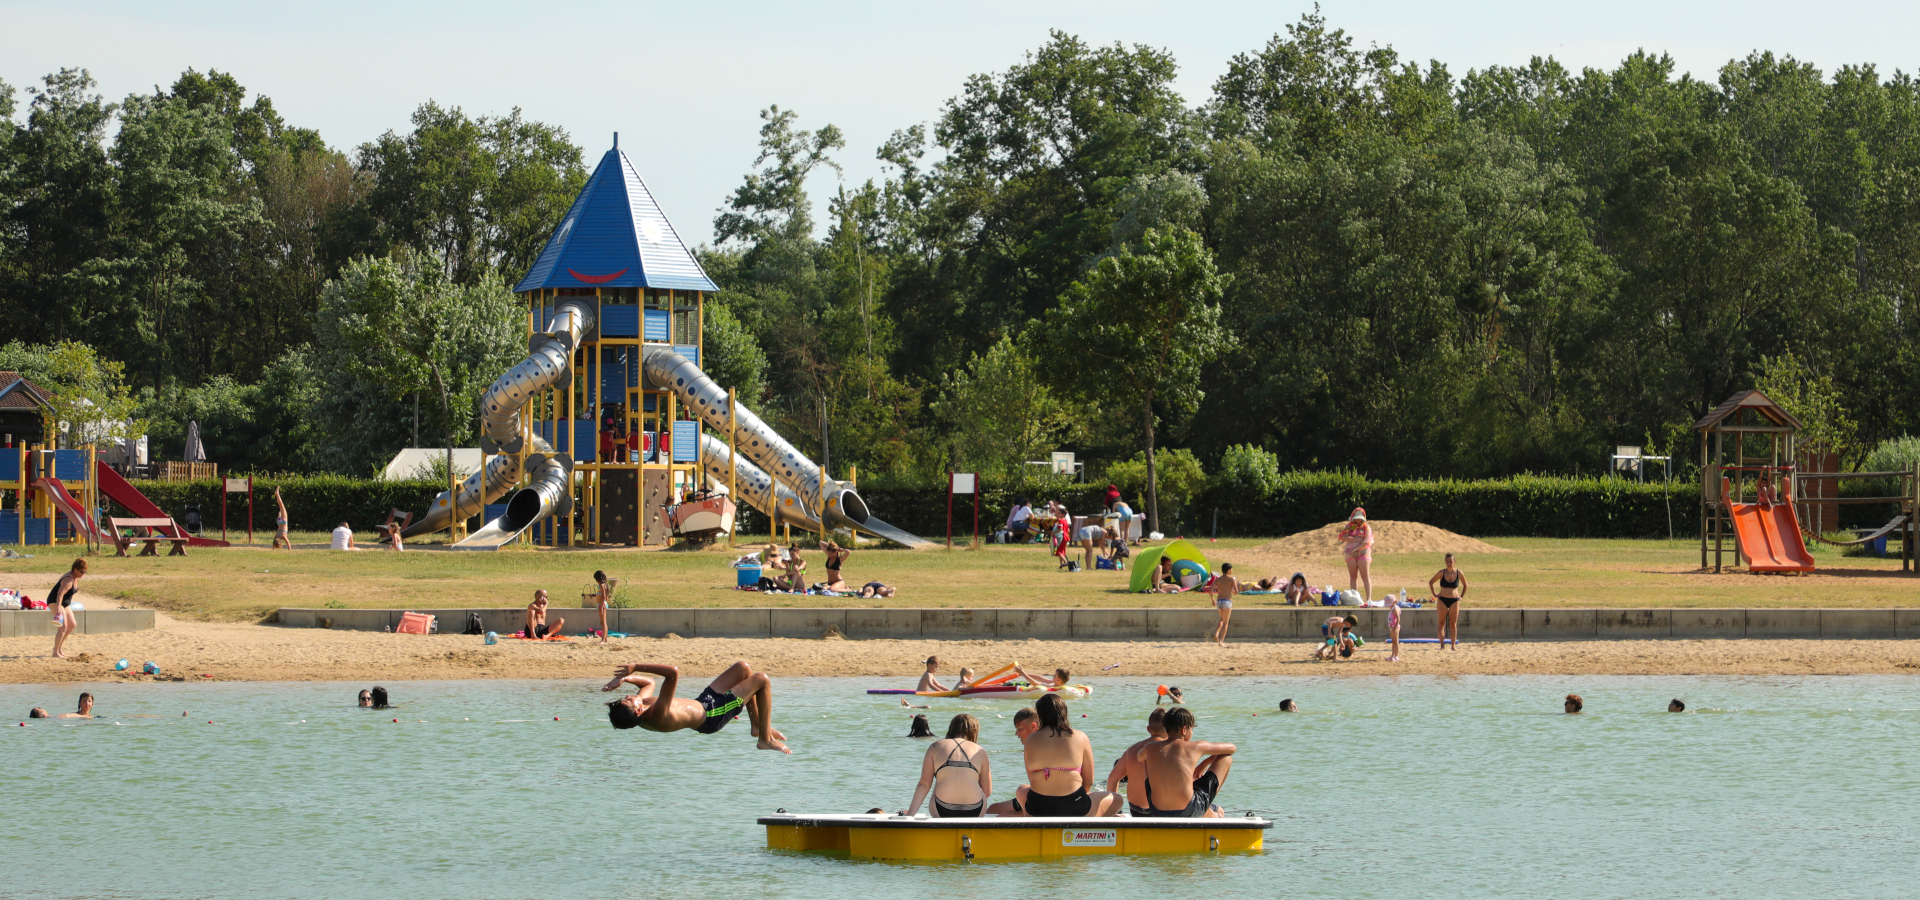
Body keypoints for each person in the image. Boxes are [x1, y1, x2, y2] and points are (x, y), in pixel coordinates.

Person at [602, 660, 790, 753]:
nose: (628, 695)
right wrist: (636, 666)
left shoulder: (640, 708)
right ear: (636, 711)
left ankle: (757, 726)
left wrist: (624, 678)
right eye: (627, 700)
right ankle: (764, 740)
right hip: (712, 715)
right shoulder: (656, 714)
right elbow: (672, 673)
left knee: (743, 669)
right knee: (761, 680)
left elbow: (647, 684)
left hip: (703, 702)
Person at [1008, 694, 1122, 817]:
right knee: (1117, 799)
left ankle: (1025, 814)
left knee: (1022, 789)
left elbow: (1032, 780)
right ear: (1064, 712)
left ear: (1039, 715)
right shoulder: (1081, 737)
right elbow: (1088, 782)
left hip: (1037, 809)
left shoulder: (1030, 740)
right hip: (1076, 807)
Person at [1133, 707, 1233, 817]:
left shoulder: (1149, 747)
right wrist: (1204, 764)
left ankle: (1206, 809)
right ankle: (1207, 808)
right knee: (1226, 758)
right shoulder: (1195, 746)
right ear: (1184, 730)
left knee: (1146, 760)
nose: (1192, 733)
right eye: (1191, 729)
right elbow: (1231, 748)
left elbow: (1139, 757)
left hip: (1157, 811)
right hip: (1188, 810)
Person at [902, 714, 993, 818]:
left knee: (941, 777)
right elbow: (987, 790)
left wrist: (910, 814)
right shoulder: (980, 751)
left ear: (952, 728)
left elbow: (924, 784)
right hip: (975, 810)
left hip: (942, 810)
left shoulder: (935, 747)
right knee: (971, 779)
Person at [1105, 708, 1167, 815]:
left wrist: (1115, 811)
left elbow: (1112, 779)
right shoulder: (1170, 749)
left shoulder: (1132, 749)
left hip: (1136, 811)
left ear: (1148, 729)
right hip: (1159, 812)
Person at [984, 708, 1042, 815]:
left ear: (1033, 726)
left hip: (1040, 799)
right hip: (1041, 797)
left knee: (995, 812)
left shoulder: (1031, 748)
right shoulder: (1046, 743)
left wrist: (1017, 815)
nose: (1016, 733)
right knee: (992, 809)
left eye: (1020, 729)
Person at [1428, 553, 1468, 650]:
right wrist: (1435, 594)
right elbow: (1431, 582)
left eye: (1450, 561)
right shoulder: (1442, 573)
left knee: (1453, 624)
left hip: (1454, 600)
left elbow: (1465, 585)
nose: (1448, 563)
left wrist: (1461, 596)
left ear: (1454, 562)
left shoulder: (1459, 573)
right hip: (1442, 600)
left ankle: (1453, 645)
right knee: (1441, 623)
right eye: (1447, 561)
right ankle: (1442, 645)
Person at [48, 558, 85, 659]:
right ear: (75, 570)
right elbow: (60, 594)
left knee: (72, 624)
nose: (83, 574)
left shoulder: (75, 577)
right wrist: (59, 607)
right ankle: (55, 653)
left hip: (65, 603)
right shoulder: (68, 579)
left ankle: (59, 648)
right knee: (62, 627)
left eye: (85, 572)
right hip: (56, 601)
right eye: (82, 571)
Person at [1336, 508, 1373, 602]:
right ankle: (1354, 597)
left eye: (1360, 518)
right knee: (1353, 576)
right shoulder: (1349, 526)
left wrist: (1356, 548)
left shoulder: (1366, 527)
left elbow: (1367, 541)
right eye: (1356, 518)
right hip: (1350, 553)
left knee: (1365, 576)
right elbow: (1343, 537)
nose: (1358, 520)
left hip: (1363, 553)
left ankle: (1369, 598)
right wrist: (1356, 539)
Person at [1210, 562, 1239, 646]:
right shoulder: (1232, 579)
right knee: (1226, 622)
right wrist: (1231, 591)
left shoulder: (1218, 579)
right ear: (1229, 570)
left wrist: (1212, 600)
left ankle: (1217, 633)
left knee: (1222, 619)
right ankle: (1221, 641)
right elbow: (1236, 592)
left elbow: (1211, 590)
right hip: (1227, 601)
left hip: (1219, 601)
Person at [592, 570, 613, 645]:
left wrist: (601, 607)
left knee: (602, 623)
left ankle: (603, 639)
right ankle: (605, 638)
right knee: (604, 622)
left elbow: (604, 596)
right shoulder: (605, 584)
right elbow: (606, 596)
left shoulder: (601, 584)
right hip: (603, 604)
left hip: (602, 605)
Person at [1385, 593, 1403, 662]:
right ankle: (1392, 655)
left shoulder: (1395, 609)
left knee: (1396, 642)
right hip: (1391, 627)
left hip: (1395, 627)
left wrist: (1395, 628)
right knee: (1393, 642)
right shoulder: (1392, 608)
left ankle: (1396, 656)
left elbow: (1398, 619)